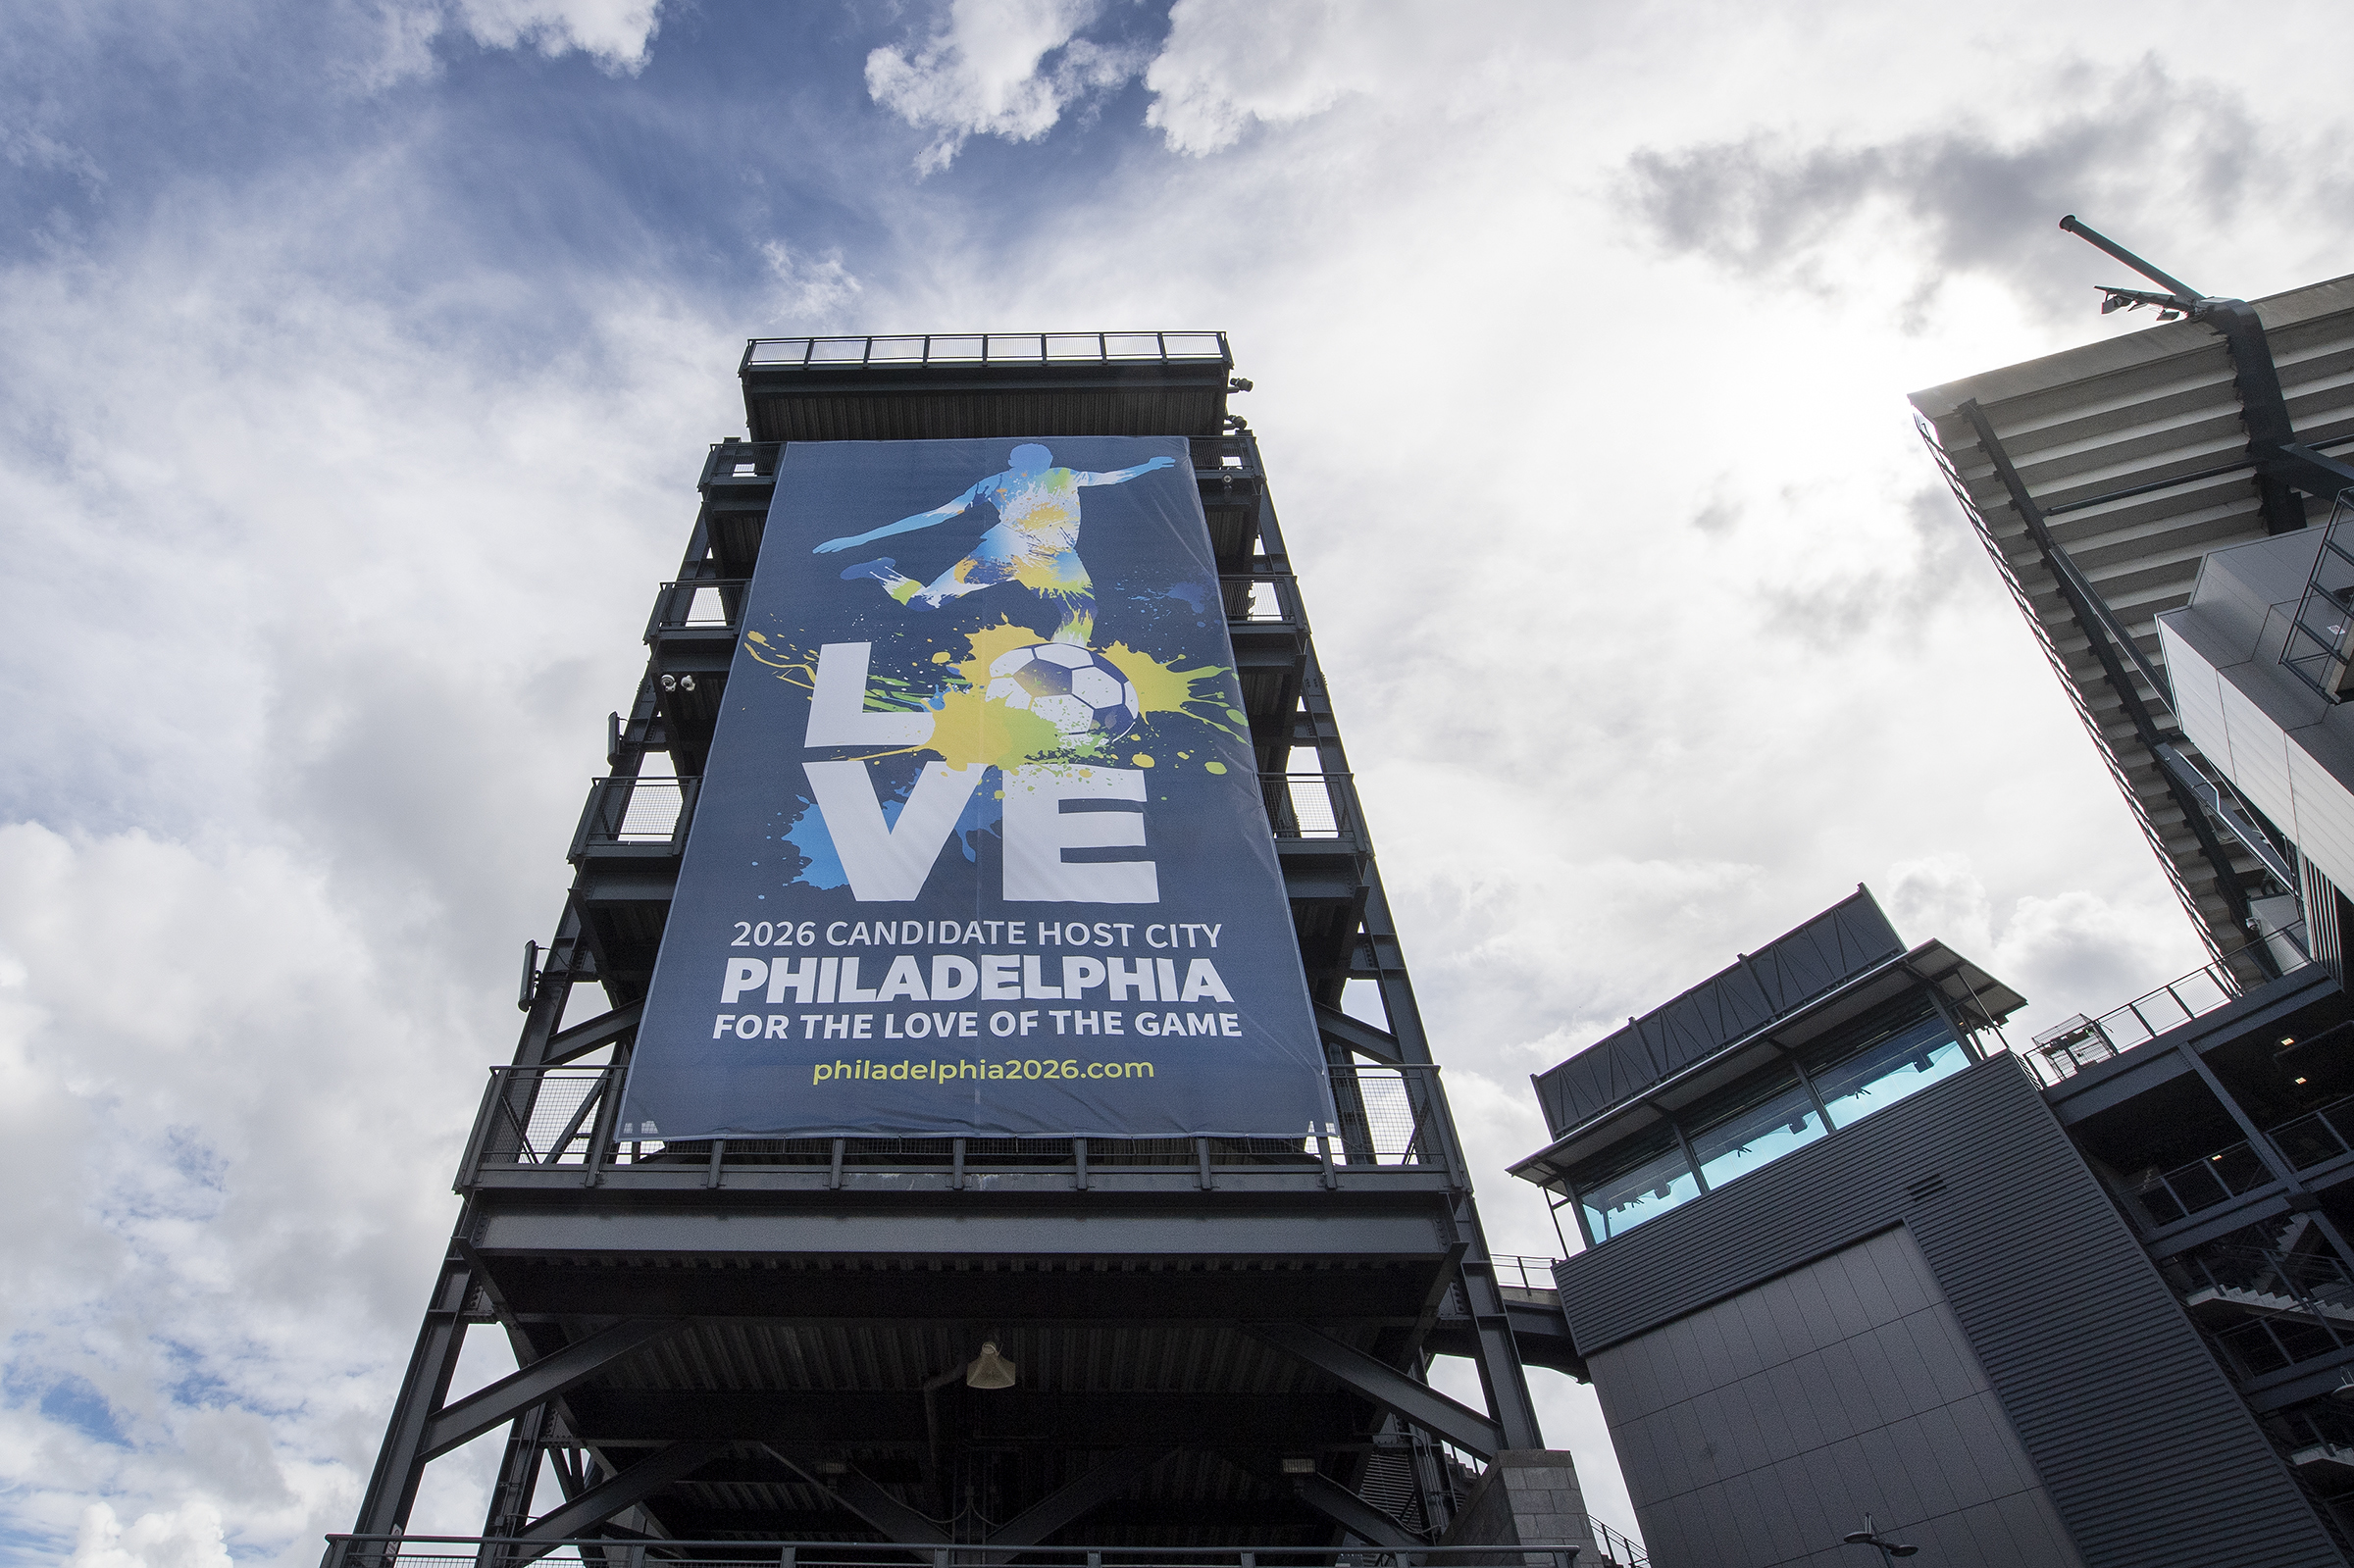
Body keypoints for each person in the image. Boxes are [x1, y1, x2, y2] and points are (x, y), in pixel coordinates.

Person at [817, 443, 1175, 644]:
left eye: (1039, 463)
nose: (1033, 469)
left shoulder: (1065, 476)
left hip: (1056, 558)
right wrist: (861, 537)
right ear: (1013, 464)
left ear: (1048, 462)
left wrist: (1147, 465)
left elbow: (1111, 478)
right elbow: (937, 514)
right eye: (1026, 464)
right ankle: (881, 572)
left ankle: (1057, 678)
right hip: (1006, 550)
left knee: (1082, 614)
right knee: (926, 603)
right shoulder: (995, 483)